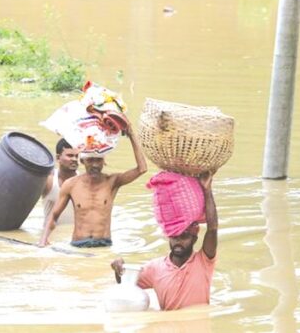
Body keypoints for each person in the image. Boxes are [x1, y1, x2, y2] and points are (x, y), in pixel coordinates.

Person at [111, 172, 217, 311]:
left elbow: (212, 228)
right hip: (168, 329)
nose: (178, 241)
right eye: (174, 236)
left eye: (184, 236)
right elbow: (126, 285)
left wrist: (207, 189)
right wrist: (118, 267)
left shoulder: (204, 261)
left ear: (194, 238)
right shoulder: (155, 268)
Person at [39, 122, 147, 248]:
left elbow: (142, 169)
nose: (95, 165)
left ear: (104, 161)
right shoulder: (71, 185)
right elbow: (54, 216)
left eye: (99, 160)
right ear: (83, 161)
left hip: (104, 244)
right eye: (90, 160)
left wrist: (132, 135)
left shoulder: (112, 181)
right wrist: (43, 239)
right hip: (78, 244)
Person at [41, 139, 80, 226]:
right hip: (50, 236)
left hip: (75, 236)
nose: (74, 159)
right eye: (70, 155)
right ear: (58, 158)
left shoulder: (83, 181)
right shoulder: (49, 181)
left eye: (77, 156)